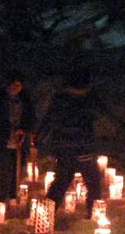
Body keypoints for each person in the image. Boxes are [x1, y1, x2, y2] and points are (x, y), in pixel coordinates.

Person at [40, 67, 102, 211]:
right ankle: (94, 215)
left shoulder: (59, 99)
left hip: (63, 147)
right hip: (83, 146)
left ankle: (46, 216)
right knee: (93, 184)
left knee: (61, 182)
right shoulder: (89, 99)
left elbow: (49, 119)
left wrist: (40, 138)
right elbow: (101, 116)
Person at [0, 69, 36, 204]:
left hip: (20, 143)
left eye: (19, 86)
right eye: (13, 85)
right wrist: (8, 130)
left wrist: (23, 130)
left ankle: (13, 202)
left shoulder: (26, 101)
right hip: (4, 141)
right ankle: (0, 203)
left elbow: (31, 119)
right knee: (6, 175)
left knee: (18, 174)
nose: (16, 89)